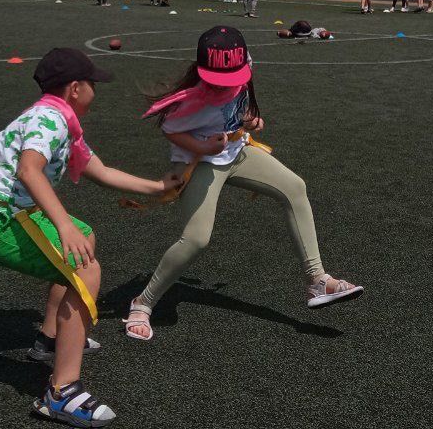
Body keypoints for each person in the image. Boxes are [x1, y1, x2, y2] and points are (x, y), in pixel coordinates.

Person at [0, 48, 179, 427]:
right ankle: (61, 393)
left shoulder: (61, 120)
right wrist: (63, 223)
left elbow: (102, 171)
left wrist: (158, 187)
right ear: (75, 88)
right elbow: (29, 170)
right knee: (85, 269)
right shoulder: (50, 119)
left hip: (4, 210)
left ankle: (49, 341)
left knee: (85, 237)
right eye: (92, 84)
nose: (96, 90)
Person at [122, 26, 363, 341]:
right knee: (196, 239)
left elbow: (238, 106)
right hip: (200, 163)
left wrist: (249, 119)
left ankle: (318, 280)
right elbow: (170, 129)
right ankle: (143, 302)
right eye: (219, 81)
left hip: (237, 151)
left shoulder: (244, 66)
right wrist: (203, 148)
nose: (227, 86)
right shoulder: (189, 101)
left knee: (294, 188)